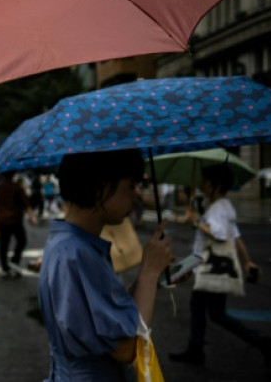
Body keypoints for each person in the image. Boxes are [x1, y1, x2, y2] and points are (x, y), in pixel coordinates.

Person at [39, 149, 174, 381]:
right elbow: (126, 347)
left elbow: (103, 310)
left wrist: (152, 278)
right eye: (131, 185)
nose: (136, 195)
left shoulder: (69, 244)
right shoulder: (77, 253)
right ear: (101, 187)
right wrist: (149, 272)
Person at [170, 164, 271, 368]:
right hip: (210, 266)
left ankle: (261, 341)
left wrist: (197, 222)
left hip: (212, 268)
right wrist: (247, 261)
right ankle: (195, 348)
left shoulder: (218, 208)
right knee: (200, 308)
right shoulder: (224, 205)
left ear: (216, 186)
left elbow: (219, 234)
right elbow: (235, 237)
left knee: (216, 314)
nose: (202, 185)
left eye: (206, 182)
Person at [0, 172, 37, 277]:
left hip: (2, 219)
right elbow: (26, 202)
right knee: (21, 240)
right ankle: (14, 260)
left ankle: (5, 267)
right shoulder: (17, 186)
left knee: (4, 244)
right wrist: (32, 216)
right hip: (15, 218)